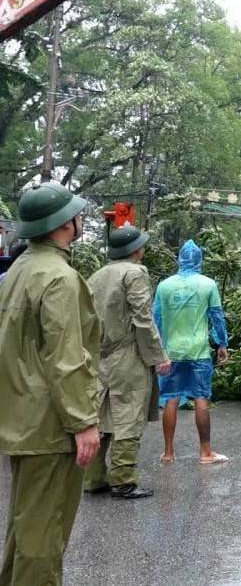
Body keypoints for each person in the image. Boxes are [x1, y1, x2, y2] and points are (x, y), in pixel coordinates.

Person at [0, 182, 101, 585]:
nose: (81, 219)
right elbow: (65, 357)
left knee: (26, 526)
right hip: (51, 424)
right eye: (77, 215)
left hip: (22, 416)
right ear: (64, 223)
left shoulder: (19, 269)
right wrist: (83, 421)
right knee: (45, 534)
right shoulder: (60, 277)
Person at [84, 225, 172, 499]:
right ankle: (123, 481)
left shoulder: (97, 275)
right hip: (128, 355)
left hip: (100, 355)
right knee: (128, 416)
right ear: (136, 250)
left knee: (101, 416)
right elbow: (143, 319)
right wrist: (158, 356)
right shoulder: (135, 273)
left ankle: (93, 478)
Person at [154, 240, 230, 465]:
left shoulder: (164, 286)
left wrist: (157, 350)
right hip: (198, 352)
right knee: (201, 398)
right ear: (199, 260)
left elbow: (155, 319)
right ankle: (205, 453)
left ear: (179, 259)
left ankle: (168, 453)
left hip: (171, 353)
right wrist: (222, 343)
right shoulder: (208, 285)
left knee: (170, 399)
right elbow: (217, 316)